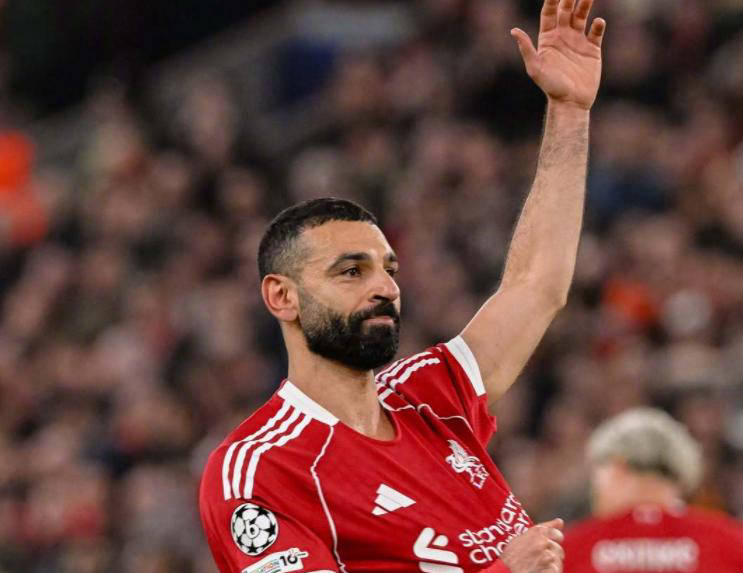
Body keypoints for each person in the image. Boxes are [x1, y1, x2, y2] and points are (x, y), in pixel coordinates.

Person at [199, 0, 606, 571]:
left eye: (389, 269)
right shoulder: (261, 469)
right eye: (351, 271)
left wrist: (568, 112)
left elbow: (536, 285)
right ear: (281, 296)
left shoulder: (430, 393)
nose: (385, 288)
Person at [562, 407, 743, 572]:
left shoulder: (569, 550)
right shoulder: (730, 543)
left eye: (597, 474)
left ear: (617, 468)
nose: (594, 490)